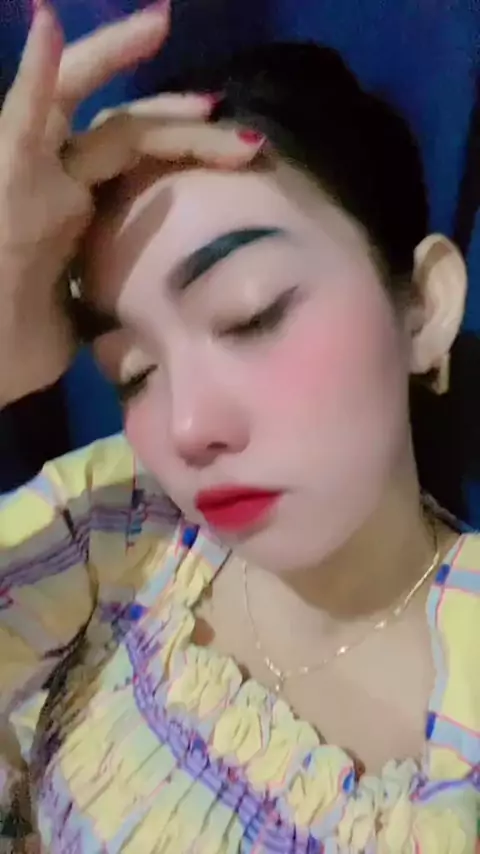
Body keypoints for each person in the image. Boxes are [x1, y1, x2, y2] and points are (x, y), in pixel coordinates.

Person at [0, 4, 478, 852]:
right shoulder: (118, 526)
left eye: (249, 315)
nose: (187, 428)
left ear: (424, 308)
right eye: (132, 372)